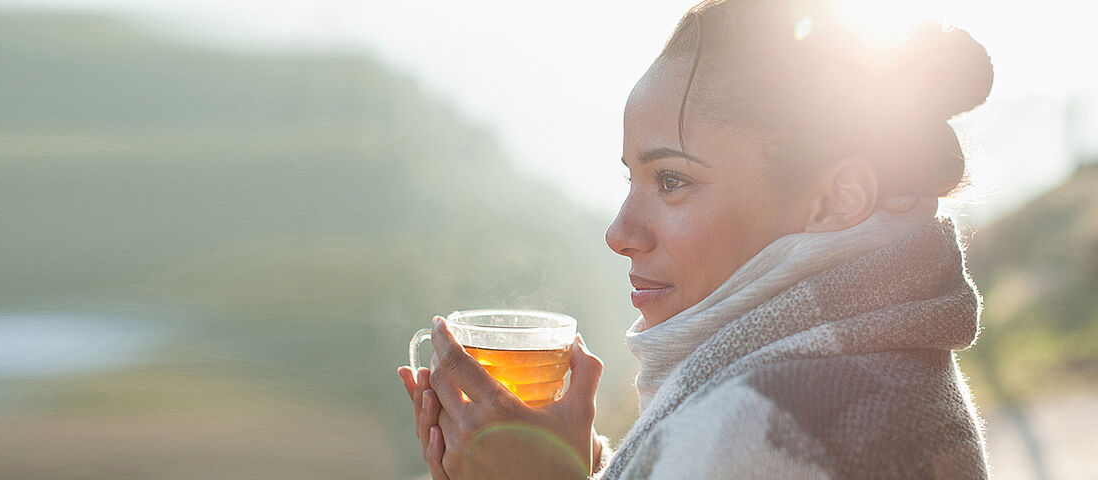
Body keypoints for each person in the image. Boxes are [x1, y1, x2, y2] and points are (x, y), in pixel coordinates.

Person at [397, 0, 994, 478]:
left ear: (836, 199)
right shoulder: (875, 372)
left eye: (672, 180)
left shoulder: (761, 425)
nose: (618, 234)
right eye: (632, 178)